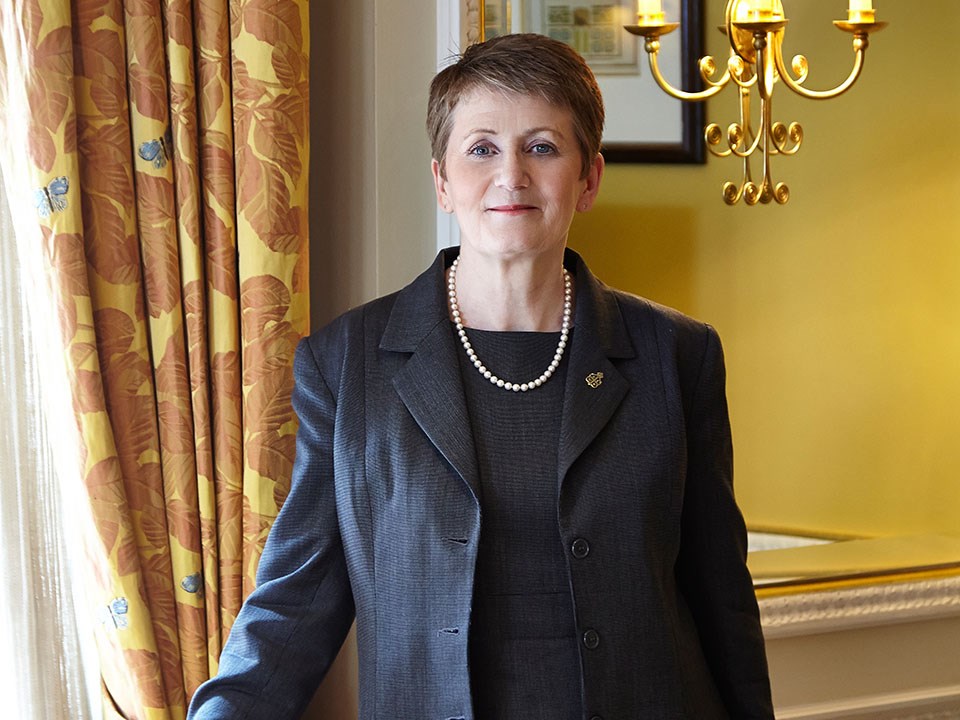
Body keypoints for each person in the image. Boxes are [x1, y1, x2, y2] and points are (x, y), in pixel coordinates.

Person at [188, 32, 774, 720]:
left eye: (543, 147)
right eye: (482, 148)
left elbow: (720, 597)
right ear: (442, 180)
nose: (512, 175)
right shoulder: (347, 365)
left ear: (589, 179)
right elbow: (295, 601)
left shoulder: (679, 357)